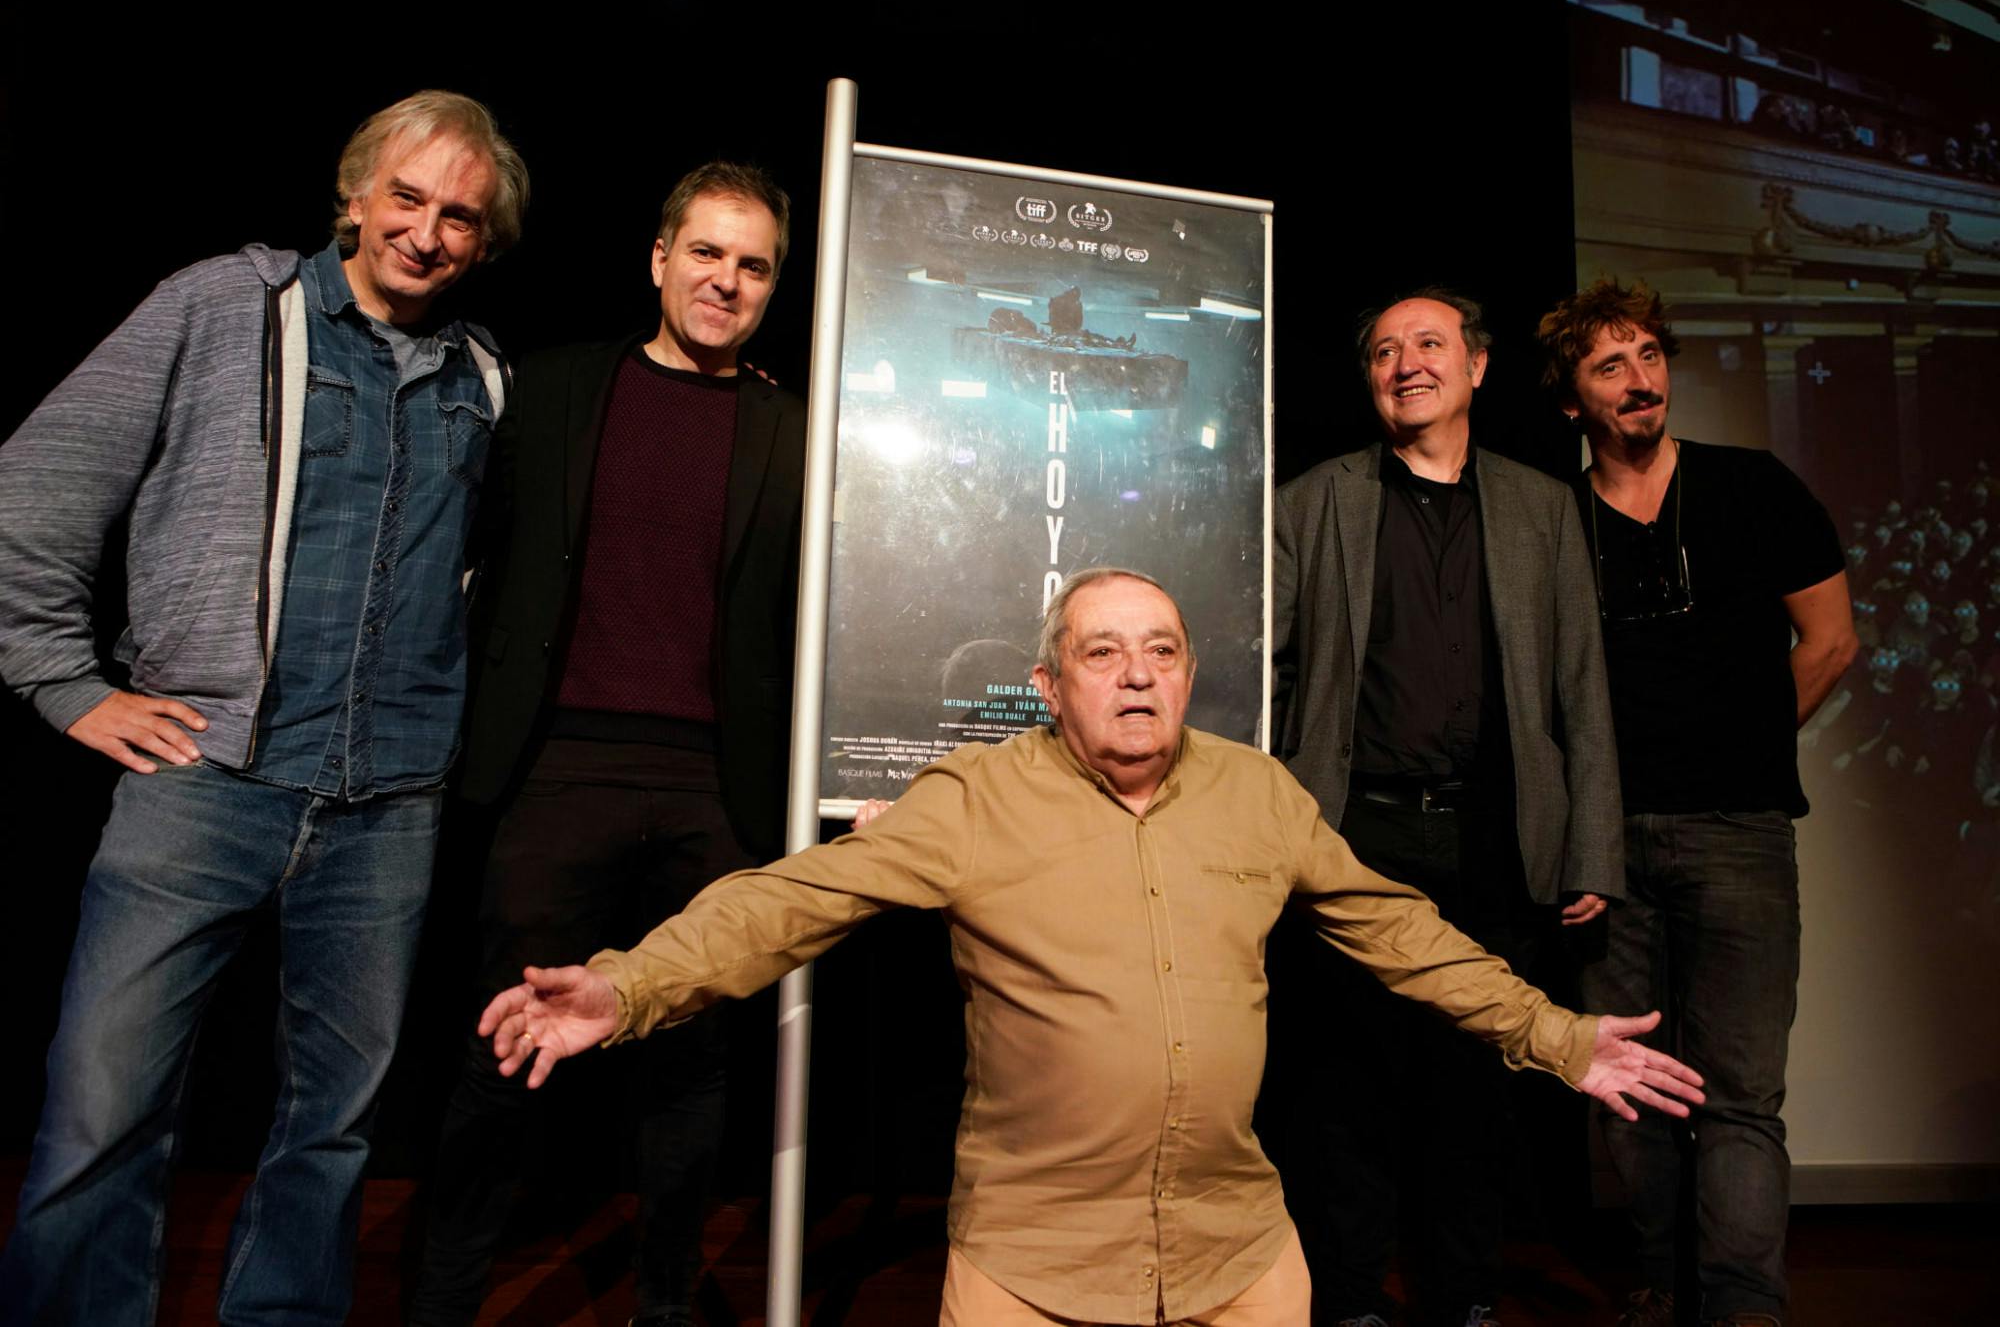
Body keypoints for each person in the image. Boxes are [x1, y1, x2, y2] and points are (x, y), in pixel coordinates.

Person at [469, 567, 1701, 1327]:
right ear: (1048, 683)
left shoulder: (1257, 793)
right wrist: (626, 985)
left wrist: (1556, 1033)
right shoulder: (971, 800)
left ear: (1188, 674)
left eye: (1159, 650)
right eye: (1101, 653)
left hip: (1236, 1251)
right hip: (1032, 1259)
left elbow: (1401, 932)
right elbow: (789, 900)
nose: (1134, 676)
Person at [0, 91, 527, 1325]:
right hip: (205, 778)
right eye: (405, 196)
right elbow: (35, 488)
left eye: (459, 216)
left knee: (331, 1131)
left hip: (388, 804)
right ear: (353, 195)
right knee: (100, 1112)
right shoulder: (222, 307)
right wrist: (64, 683)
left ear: (483, 243)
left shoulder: (484, 375)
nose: (425, 230)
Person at [407, 162, 804, 1327]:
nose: (724, 280)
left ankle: (664, 1303)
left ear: (772, 284)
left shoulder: (795, 427)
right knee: (505, 1050)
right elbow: (468, 559)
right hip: (558, 770)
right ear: (658, 258)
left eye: (751, 263)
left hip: (714, 787)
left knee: (689, 1061)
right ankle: (437, 1302)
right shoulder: (558, 387)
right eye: (706, 253)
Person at [1267, 290, 1622, 1327]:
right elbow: (1267, 670)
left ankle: (1463, 1296)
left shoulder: (1540, 506)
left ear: (1475, 367)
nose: (1404, 362)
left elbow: (1579, 686)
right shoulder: (1313, 500)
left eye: (1426, 344)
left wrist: (1590, 844)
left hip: (1490, 833)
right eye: (1383, 349)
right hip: (1349, 832)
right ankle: (1348, 1300)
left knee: (1471, 1090)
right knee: (1341, 1086)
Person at [1536, 279, 1857, 1327]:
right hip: (1607, 843)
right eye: (1608, 365)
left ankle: (1739, 1308)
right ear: (1570, 400)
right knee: (1629, 1098)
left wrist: (1748, 740)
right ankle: (1659, 1283)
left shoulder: (1749, 486)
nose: (1639, 380)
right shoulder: (1550, 520)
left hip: (1738, 830)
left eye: (1646, 357)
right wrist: (1572, 837)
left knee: (1736, 1095)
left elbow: (1831, 639)